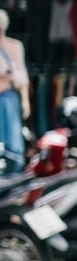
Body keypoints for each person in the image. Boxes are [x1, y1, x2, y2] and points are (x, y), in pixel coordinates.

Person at [0, 10, 30, 171]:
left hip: (9, 100)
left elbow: (22, 77)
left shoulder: (15, 46)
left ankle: (13, 172)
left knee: (12, 143)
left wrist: (25, 102)